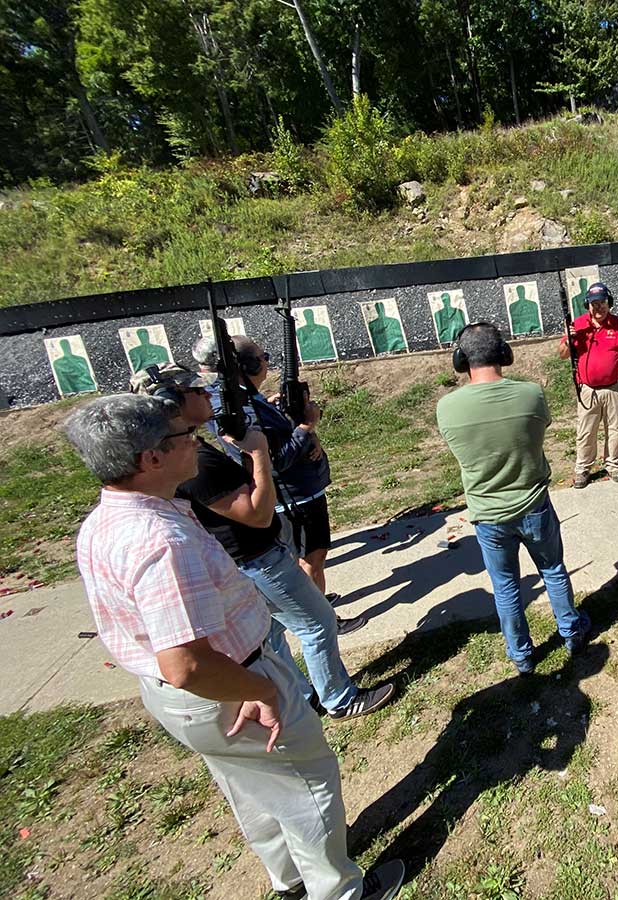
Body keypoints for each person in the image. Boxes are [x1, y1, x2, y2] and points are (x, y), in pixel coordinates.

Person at [65, 393, 406, 900]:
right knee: (307, 783)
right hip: (229, 682)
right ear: (151, 458)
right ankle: (340, 892)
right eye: (184, 436)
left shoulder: (106, 521)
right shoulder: (161, 541)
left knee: (253, 790)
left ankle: (291, 881)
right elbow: (186, 665)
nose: (195, 443)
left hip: (193, 694)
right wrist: (258, 689)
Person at [130, 364, 390, 721]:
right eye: (195, 391)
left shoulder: (186, 453)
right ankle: (339, 699)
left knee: (273, 633)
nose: (207, 394)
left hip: (247, 559)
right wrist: (258, 453)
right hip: (257, 558)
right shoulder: (197, 461)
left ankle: (300, 696)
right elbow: (258, 514)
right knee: (317, 624)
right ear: (171, 403)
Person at [437, 323, 591, 675]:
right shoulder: (531, 394)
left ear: (460, 359)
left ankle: (521, 655)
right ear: (504, 353)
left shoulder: (447, 407)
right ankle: (571, 632)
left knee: (505, 586)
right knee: (553, 570)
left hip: (488, 514)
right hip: (534, 504)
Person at [230, 336, 356, 634]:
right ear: (249, 365)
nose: (266, 362)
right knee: (311, 560)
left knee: (311, 557)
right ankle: (324, 618)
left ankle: (316, 601)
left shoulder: (252, 401)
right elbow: (274, 462)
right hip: (297, 499)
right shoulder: (246, 408)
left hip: (300, 494)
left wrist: (285, 418)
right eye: (263, 357)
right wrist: (305, 427)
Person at [558, 282, 618, 489]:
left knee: (616, 429)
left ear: (609, 303)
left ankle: (613, 464)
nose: (599, 307)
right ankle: (583, 469)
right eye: (594, 303)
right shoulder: (578, 325)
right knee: (586, 431)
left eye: (602, 303)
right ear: (587, 305)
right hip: (588, 390)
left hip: (615, 388)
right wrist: (568, 340)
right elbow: (562, 354)